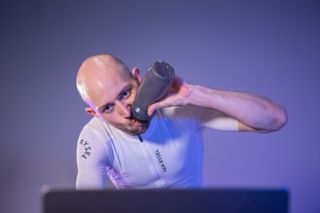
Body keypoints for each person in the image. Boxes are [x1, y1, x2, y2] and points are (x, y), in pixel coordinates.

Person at [75, 54, 287, 189]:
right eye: (108, 108)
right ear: (94, 114)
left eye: (125, 93)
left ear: (138, 78)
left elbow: (275, 119)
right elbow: (84, 208)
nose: (125, 112)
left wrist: (197, 94)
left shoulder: (181, 109)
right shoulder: (95, 139)